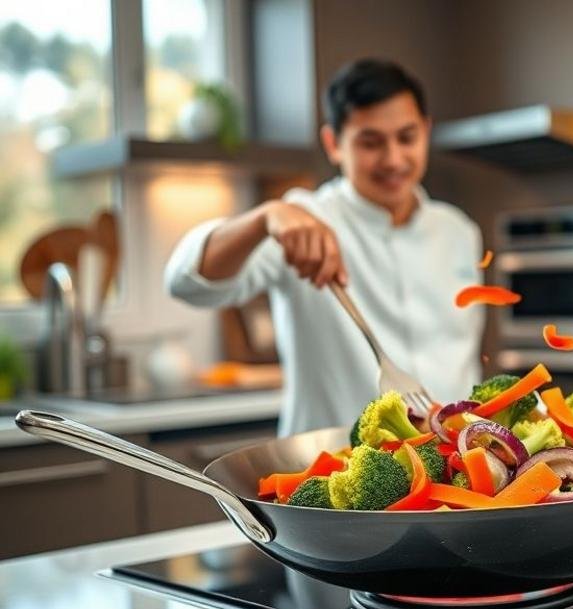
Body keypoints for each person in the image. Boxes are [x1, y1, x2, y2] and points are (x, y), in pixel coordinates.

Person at [165, 59, 484, 438]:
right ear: (334, 144)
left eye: (407, 137)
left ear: (426, 132)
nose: (394, 159)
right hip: (331, 470)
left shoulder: (459, 230)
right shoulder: (302, 220)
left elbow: (462, 360)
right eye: (371, 142)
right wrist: (266, 217)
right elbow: (186, 282)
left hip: (454, 475)